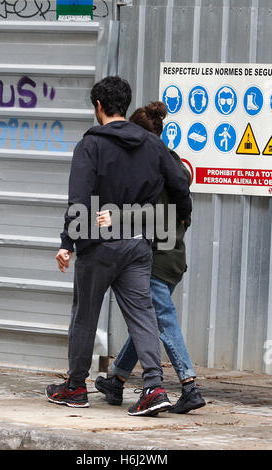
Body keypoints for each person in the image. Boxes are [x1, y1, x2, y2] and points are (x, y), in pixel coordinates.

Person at [45, 77, 192, 417]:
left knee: (85, 316)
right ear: (124, 106)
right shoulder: (152, 145)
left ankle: (76, 386)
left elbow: (78, 198)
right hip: (139, 244)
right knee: (143, 315)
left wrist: (67, 242)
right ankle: (153, 388)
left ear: (98, 106)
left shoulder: (90, 146)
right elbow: (180, 184)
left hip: (98, 245)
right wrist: (183, 218)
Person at [95, 101, 205, 414]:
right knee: (148, 320)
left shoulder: (151, 169)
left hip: (157, 256)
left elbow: (149, 217)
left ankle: (189, 384)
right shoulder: (175, 163)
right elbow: (182, 213)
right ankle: (116, 380)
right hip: (174, 257)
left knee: (162, 319)